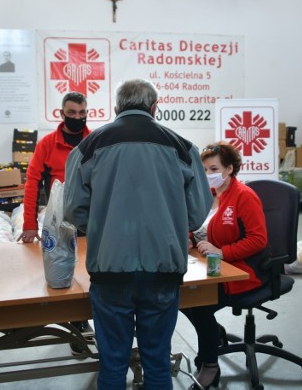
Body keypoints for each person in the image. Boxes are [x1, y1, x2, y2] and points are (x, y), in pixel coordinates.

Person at [63, 78, 212, 389]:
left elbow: (73, 210)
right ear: (155, 108)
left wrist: (105, 223)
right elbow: (197, 215)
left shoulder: (88, 147)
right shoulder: (182, 147)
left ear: (117, 108)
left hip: (110, 269)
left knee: (113, 365)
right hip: (163, 269)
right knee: (158, 362)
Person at [180, 142, 269, 389]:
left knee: (199, 305)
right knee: (180, 296)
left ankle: (210, 365)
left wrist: (221, 251)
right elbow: (196, 227)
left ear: (229, 169)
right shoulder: (211, 195)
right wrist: (190, 239)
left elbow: (259, 239)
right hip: (216, 267)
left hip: (245, 272)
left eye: (214, 168)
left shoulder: (244, 196)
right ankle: (214, 333)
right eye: (205, 169)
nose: (208, 174)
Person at [16, 91, 92, 350]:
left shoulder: (94, 141)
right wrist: (28, 224)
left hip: (89, 220)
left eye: (82, 113)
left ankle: (83, 321)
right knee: (62, 270)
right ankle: (70, 320)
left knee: (88, 272)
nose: (77, 118)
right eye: (71, 113)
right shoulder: (47, 143)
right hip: (58, 222)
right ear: (61, 114)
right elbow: (32, 183)